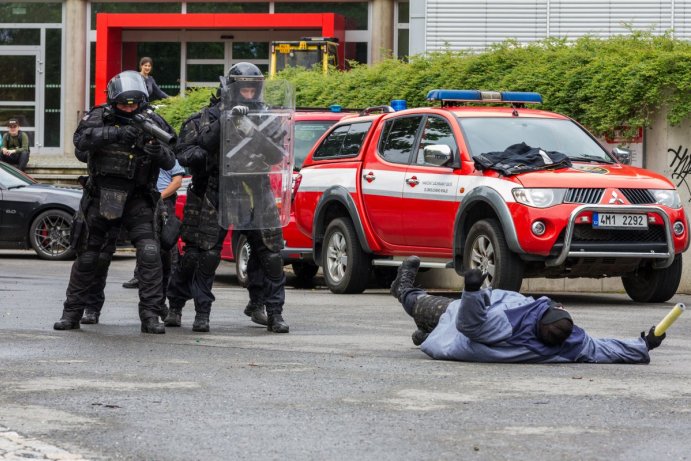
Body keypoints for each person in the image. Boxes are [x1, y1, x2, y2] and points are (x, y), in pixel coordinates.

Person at [165, 62, 289, 334]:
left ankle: (272, 311)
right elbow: (183, 154)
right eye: (243, 87)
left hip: (255, 190)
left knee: (270, 255)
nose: (248, 92)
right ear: (231, 87)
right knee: (202, 255)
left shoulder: (266, 118)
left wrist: (248, 128)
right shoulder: (206, 118)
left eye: (252, 87)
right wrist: (225, 122)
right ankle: (187, 308)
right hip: (213, 190)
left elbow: (277, 155)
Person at [53, 70, 176, 334]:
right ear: (113, 100)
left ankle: (151, 316)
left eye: (133, 103)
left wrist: (158, 152)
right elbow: (80, 144)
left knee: (150, 253)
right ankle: (72, 313)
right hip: (100, 196)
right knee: (88, 257)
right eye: (123, 103)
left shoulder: (152, 120)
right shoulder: (99, 116)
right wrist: (115, 134)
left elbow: (173, 158)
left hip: (138, 198)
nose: (129, 108)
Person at [390, 256, 665, 363]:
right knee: (432, 326)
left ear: (547, 312)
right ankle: (424, 334)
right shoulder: (570, 344)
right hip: (467, 337)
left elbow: (469, 325)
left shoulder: (507, 325)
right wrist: (644, 344)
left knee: (426, 306)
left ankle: (402, 289)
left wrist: (472, 292)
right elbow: (605, 348)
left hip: (457, 332)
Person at [121, 160, 185, 290]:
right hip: (146, 200)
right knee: (145, 237)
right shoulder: (145, 157)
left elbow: (177, 182)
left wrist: (159, 197)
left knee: (168, 238)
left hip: (164, 201)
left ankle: (171, 278)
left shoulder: (168, 158)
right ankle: (139, 276)